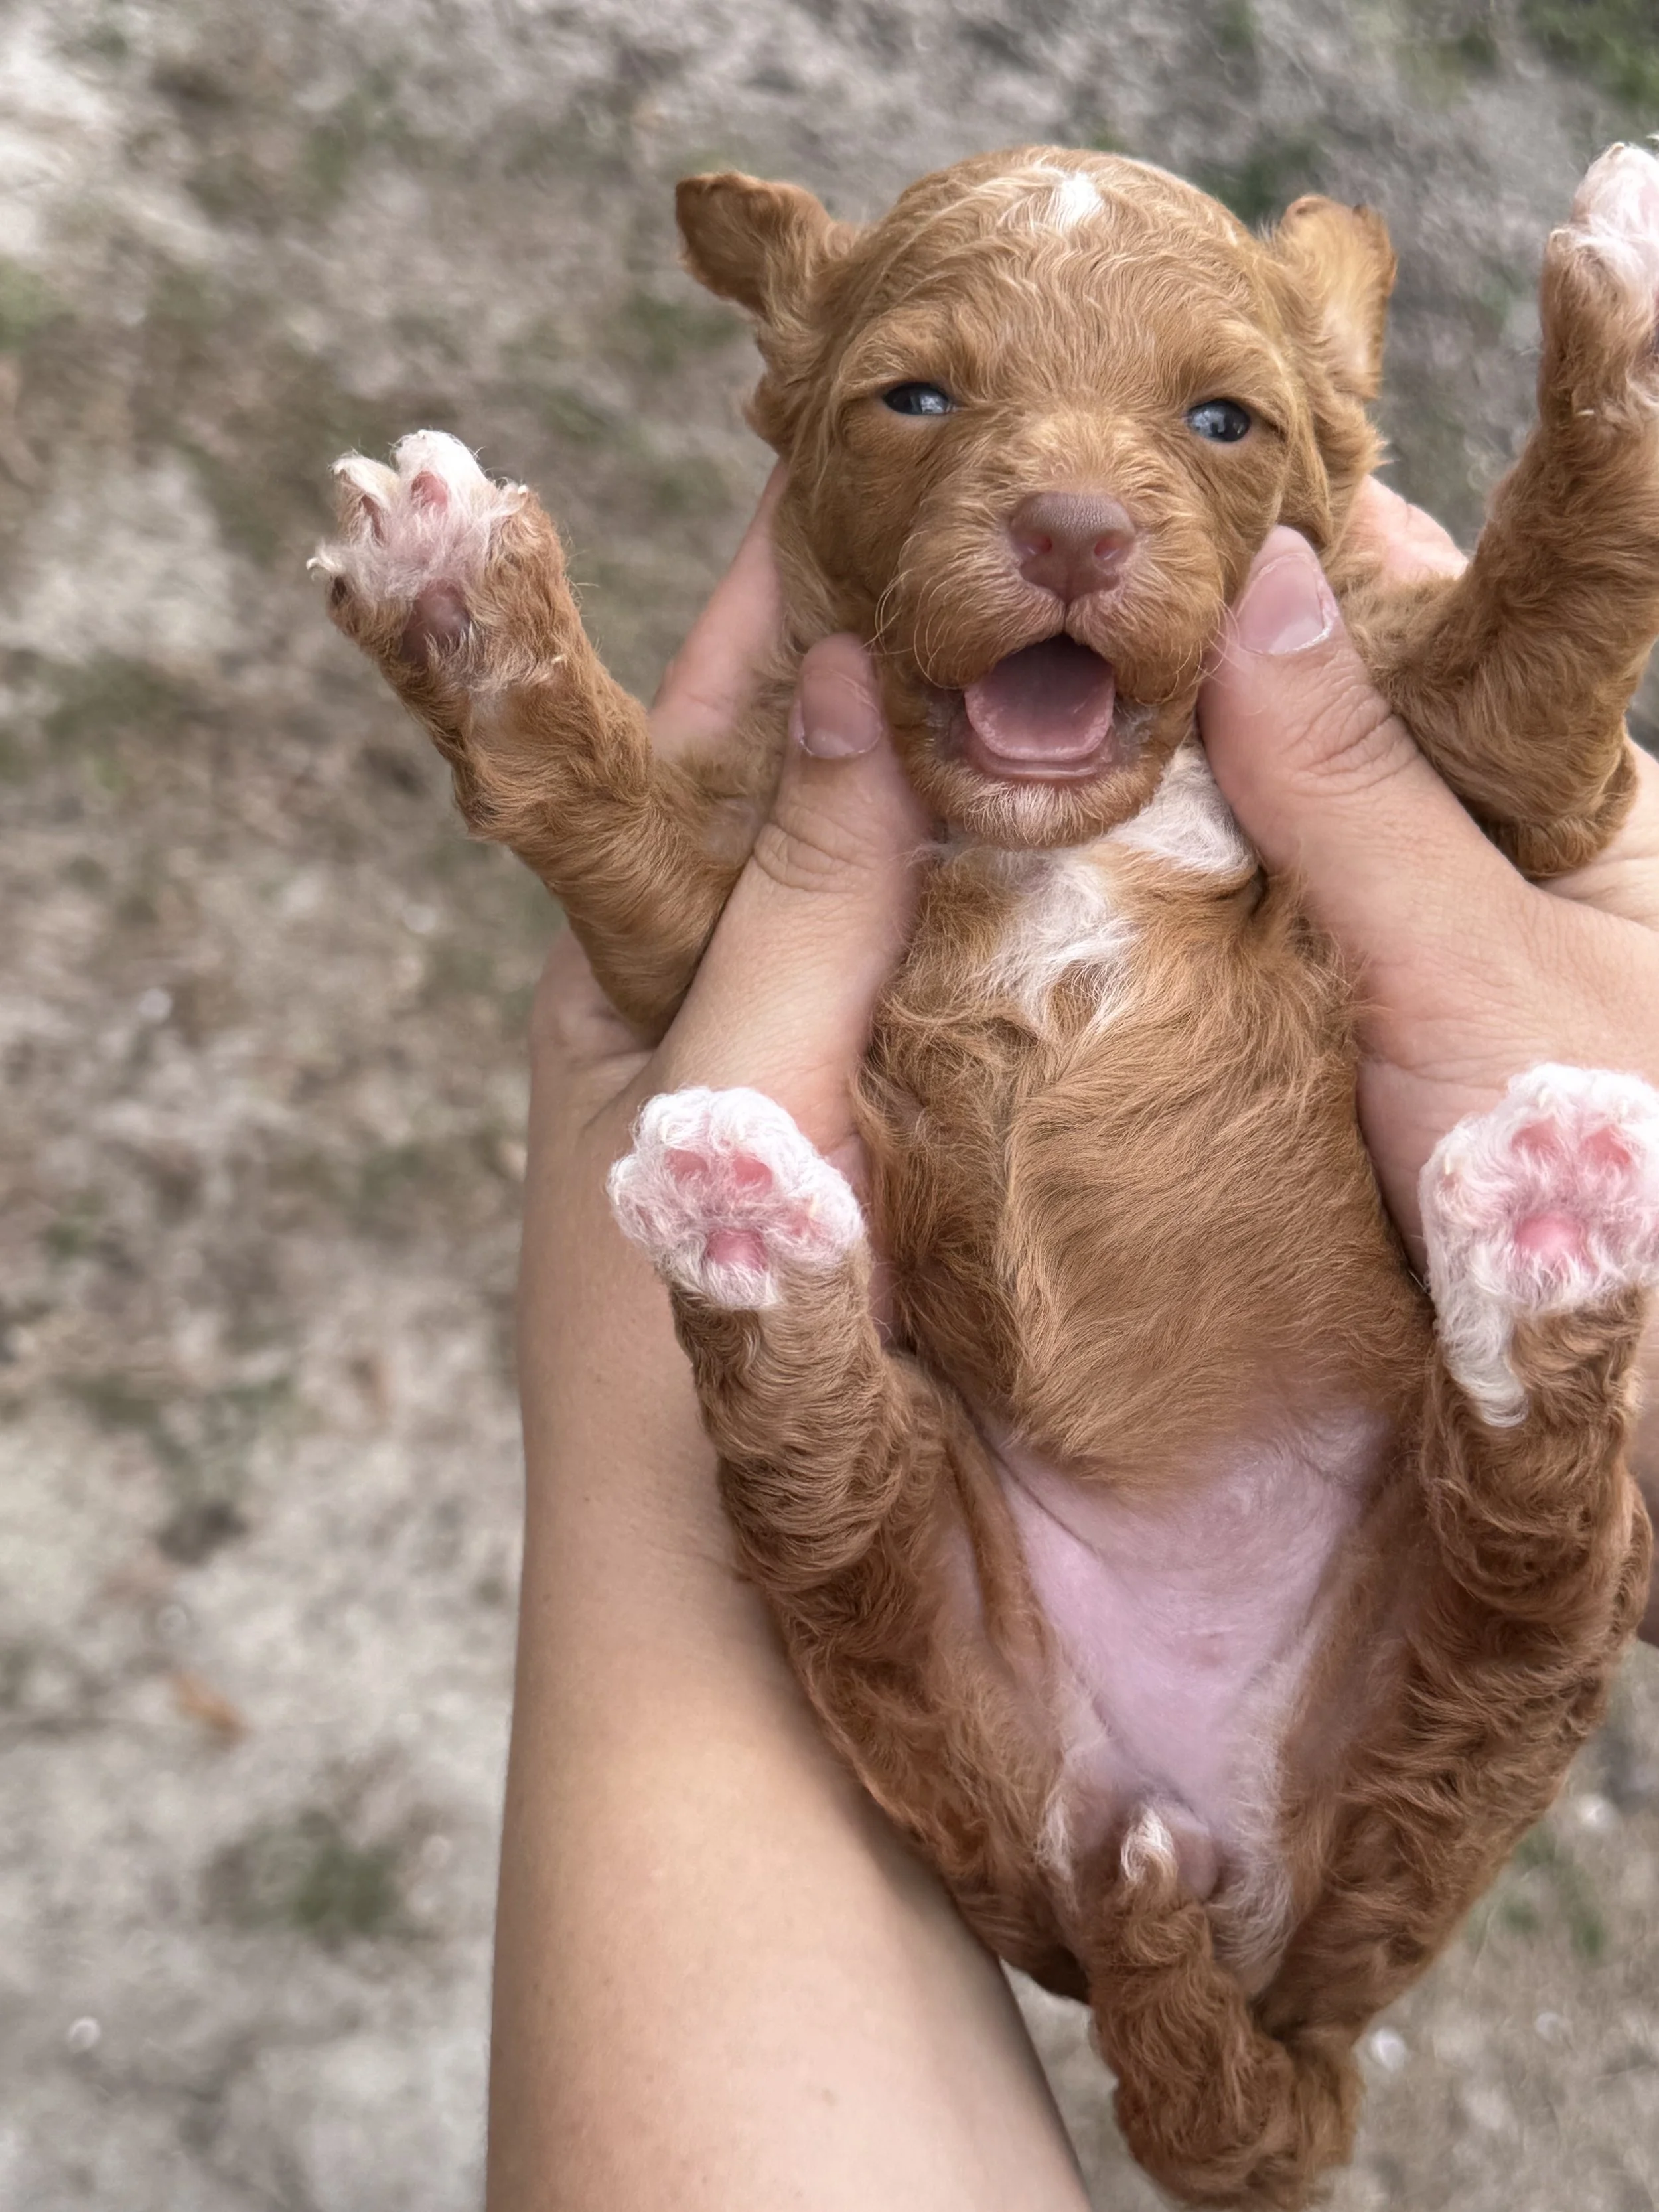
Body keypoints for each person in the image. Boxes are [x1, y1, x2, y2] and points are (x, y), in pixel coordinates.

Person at [485, 474, 1659, 2211]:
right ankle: (1531, 1344)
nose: (1073, 479)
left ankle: (762, 1321)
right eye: (923, 410)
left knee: (858, 1525)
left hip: (1043, 1660)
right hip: (1273, 1631)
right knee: (1508, 1568)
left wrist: (639, 1474)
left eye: (1208, 420)